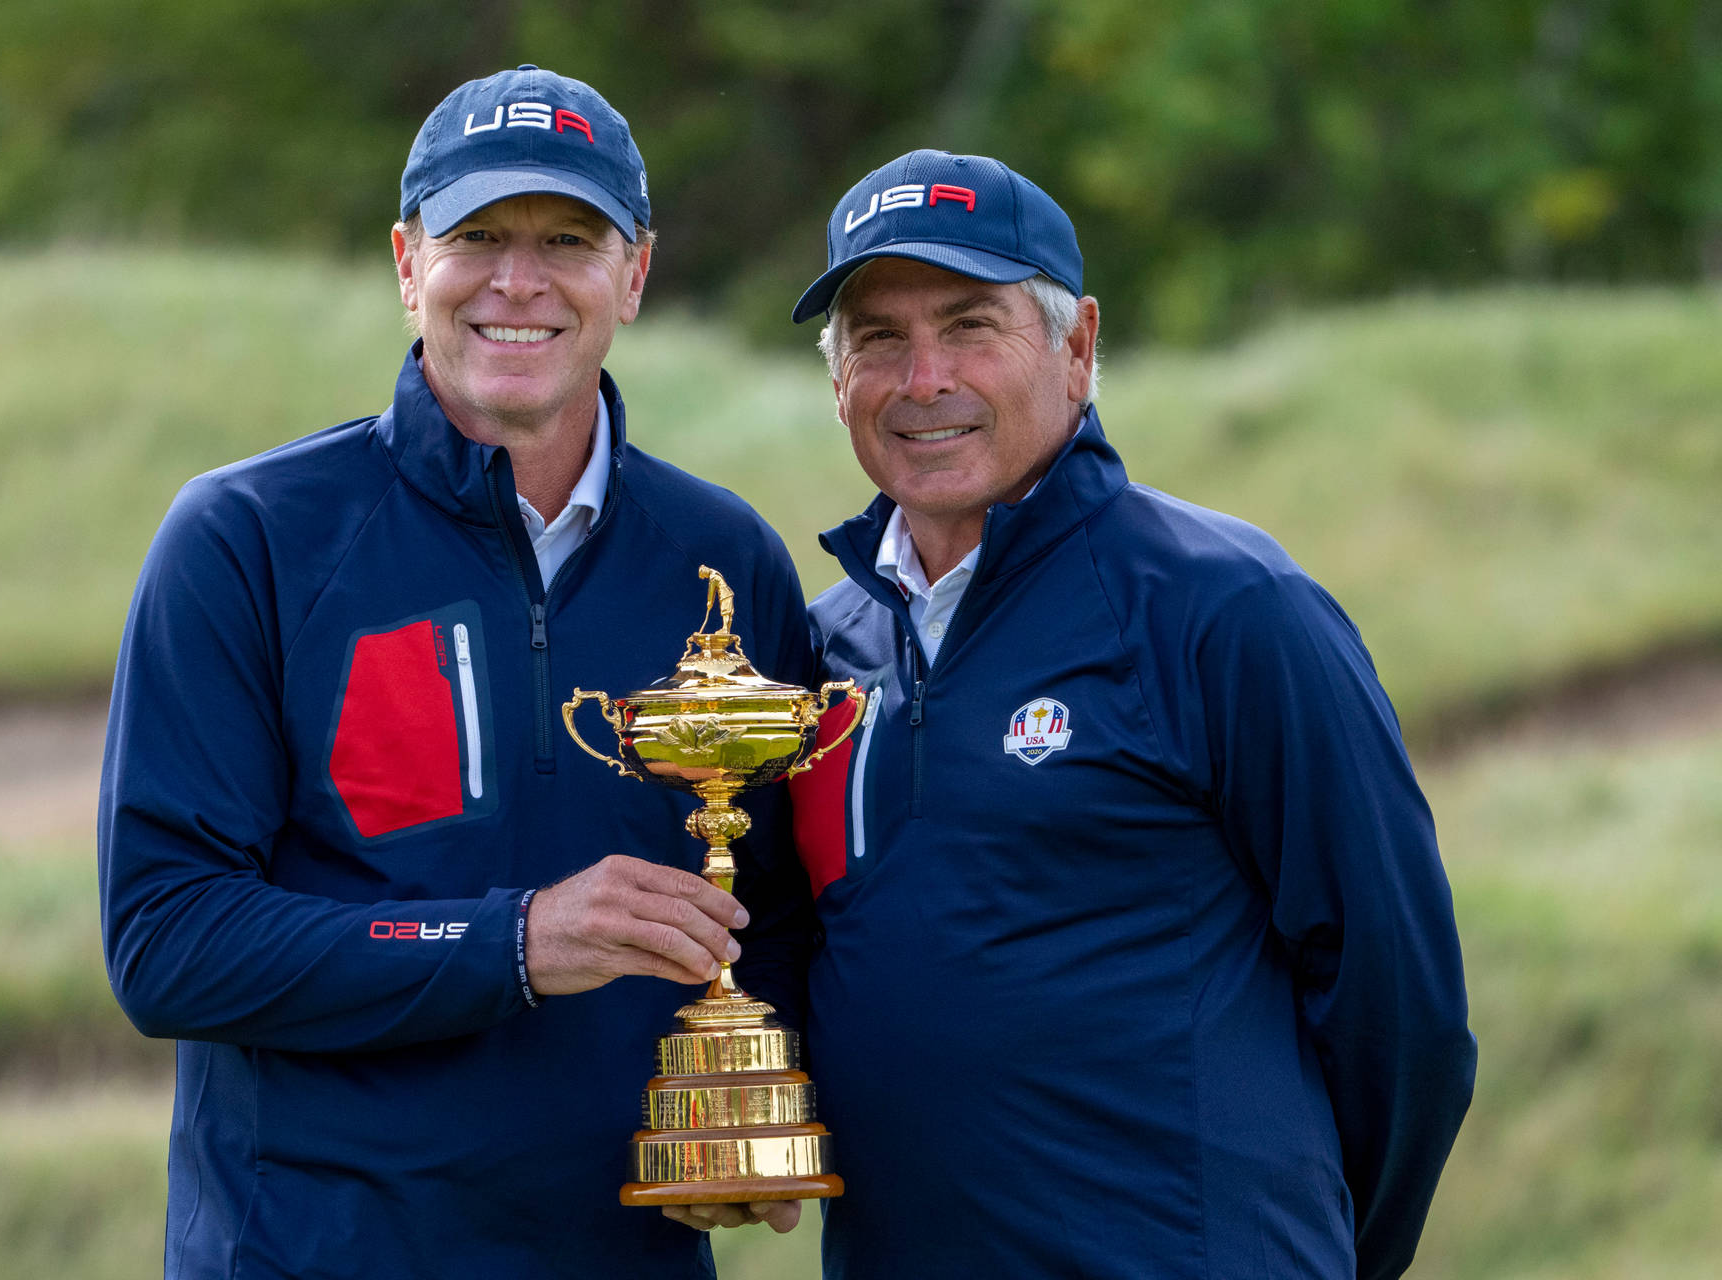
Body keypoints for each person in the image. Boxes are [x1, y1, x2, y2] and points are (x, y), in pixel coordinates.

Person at [97, 65, 813, 1279]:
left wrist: (758, 1122)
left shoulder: (723, 560)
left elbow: (778, 916)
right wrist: (515, 940)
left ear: (634, 273)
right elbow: (169, 940)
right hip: (312, 1252)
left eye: (567, 239)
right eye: (477, 235)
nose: (518, 282)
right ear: (405, 259)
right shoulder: (248, 538)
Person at [770, 149, 1476, 1278]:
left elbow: (1404, 1010)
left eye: (970, 325)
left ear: (1079, 347)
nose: (923, 376)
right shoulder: (817, 649)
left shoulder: (1228, 607)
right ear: (836, 373)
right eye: (878, 337)